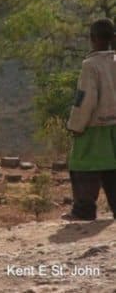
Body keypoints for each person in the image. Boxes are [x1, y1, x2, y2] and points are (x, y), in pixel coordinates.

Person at [63, 18, 116, 221]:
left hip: (95, 126)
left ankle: (84, 211)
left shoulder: (90, 65)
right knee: (113, 170)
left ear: (92, 39)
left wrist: (76, 125)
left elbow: (85, 99)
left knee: (82, 167)